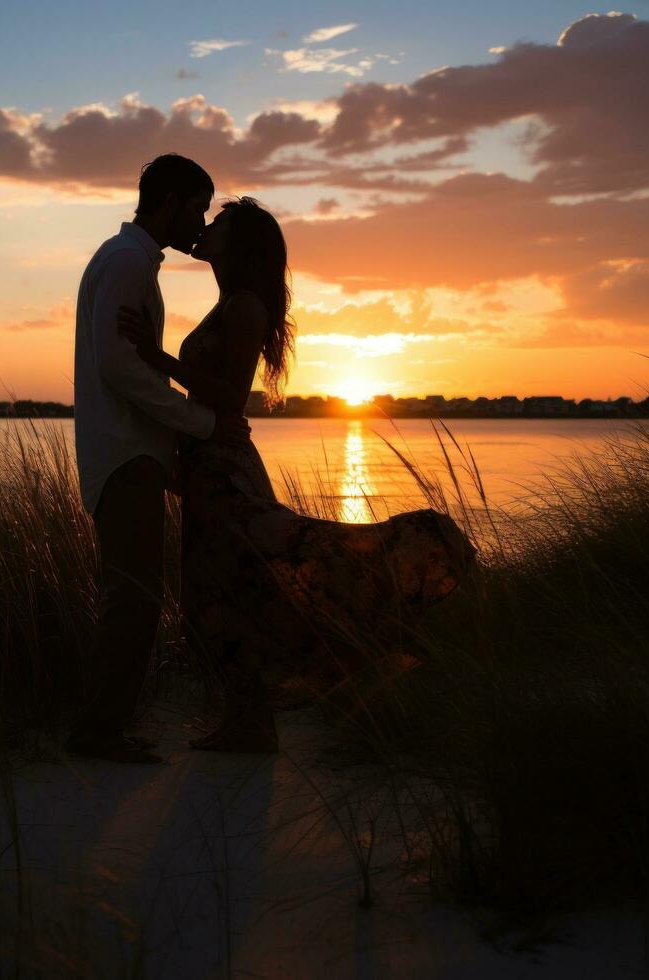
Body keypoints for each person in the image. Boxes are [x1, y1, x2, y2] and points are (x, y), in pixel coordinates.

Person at [118, 197, 476, 753]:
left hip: (225, 472)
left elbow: (232, 398)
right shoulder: (230, 303)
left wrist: (154, 358)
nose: (207, 227)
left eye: (221, 223)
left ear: (239, 245)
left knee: (237, 588)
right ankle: (250, 723)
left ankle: (267, 711)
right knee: (230, 595)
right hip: (207, 467)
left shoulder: (244, 308)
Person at [67, 155, 252, 764]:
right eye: (197, 207)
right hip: (124, 454)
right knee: (133, 597)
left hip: (136, 453)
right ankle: (98, 732)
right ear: (170, 202)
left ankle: (104, 725)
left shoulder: (134, 264)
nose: (199, 221)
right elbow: (119, 368)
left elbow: (134, 363)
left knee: (136, 595)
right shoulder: (124, 263)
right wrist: (201, 424)